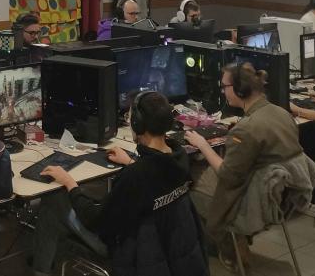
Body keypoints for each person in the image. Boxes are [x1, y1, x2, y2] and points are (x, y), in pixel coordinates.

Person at [33, 91, 207, 276]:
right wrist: (131, 162)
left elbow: (94, 220)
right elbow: (155, 180)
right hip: (171, 246)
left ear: (138, 124)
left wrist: (70, 183)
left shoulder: (136, 176)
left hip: (129, 250)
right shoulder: (179, 157)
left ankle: (40, 269)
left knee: (54, 200)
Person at [186, 62, 302, 271]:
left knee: (187, 180)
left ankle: (228, 245)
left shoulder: (246, 129)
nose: (223, 91)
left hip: (252, 200)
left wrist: (203, 145)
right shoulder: (281, 112)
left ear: (239, 90)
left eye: (224, 86)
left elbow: (227, 175)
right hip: (281, 196)